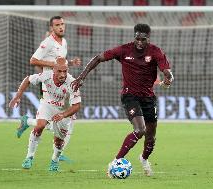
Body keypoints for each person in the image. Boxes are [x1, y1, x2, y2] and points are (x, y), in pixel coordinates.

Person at [71, 23, 174, 176]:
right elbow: (98, 58)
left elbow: (166, 71)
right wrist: (81, 77)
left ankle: (144, 159)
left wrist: (168, 79)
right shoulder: (124, 50)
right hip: (130, 96)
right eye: (137, 38)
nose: (139, 42)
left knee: (151, 137)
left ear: (148, 38)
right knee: (140, 130)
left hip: (148, 98)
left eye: (143, 39)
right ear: (134, 37)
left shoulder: (155, 51)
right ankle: (116, 161)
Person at [17, 16, 81, 162]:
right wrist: (54, 66)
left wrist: (69, 62)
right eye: (57, 25)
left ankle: (57, 148)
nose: (61, 27)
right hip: (48, 82)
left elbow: (60, 61)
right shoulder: (48, 42)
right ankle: (58, 150)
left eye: (62, 24)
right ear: (52, 28)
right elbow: (33, 60)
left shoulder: (63, 41)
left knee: (65, 119)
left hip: (60, 81)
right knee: (58, 120)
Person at [9, 57, 81, 171]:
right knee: (40, 126)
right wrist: (18, 96)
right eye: (59, 71)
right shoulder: (46, 75)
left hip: (64, 111)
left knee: (58, 140)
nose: (62, 74)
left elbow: (77, 106)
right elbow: (28, 79)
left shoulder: (72, 83)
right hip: (47, 105)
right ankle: (29, 157)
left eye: (65, 71)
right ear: (54, 69)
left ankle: (54, 161)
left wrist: (63, 115)